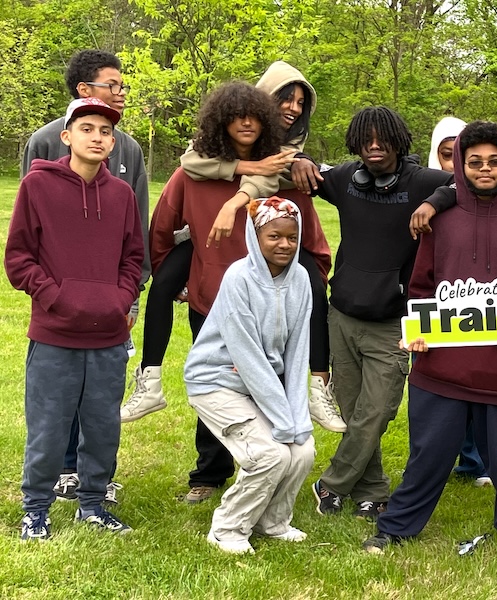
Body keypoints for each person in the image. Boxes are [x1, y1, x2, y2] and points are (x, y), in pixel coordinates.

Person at [362, 121, 497, 553]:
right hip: (441, 368)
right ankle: (396, 527)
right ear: (460, 167)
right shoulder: (439, 222)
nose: (485, 170)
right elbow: (421, 289)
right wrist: (418, 332)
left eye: (495, 162)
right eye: (474, 162)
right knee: (428, 455)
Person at [122, 60, 344, 433]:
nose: (292, 108)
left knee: (272, 372)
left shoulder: (286, 165)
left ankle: (316, 388)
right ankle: (201, 461)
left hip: (267, 294)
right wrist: (177, 279)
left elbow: (307, 233)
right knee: (212, 378)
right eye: (284, 99)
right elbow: (166, 219)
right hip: (211, 284)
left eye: (300, 103)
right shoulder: (194, 168)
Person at [150, 81, 328, 504]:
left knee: (268, 382)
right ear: (221, 121)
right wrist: (175, 281)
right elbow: (161, 230)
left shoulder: (283, 179)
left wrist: (304, 286)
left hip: (271, 309)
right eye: (236, 116)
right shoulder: (190, 173)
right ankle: (208, 475)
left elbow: (313, 244)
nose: (246, 124)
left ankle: (269, 464)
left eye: (254, 117)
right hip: (211, 302)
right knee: (217, 388)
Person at [292, 106, 455, 522]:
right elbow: (306, 171)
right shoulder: (347, 178)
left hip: (393, 322)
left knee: (377, 410)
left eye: (383, 139)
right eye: (366, 140)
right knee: (353, 412)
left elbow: (467, 181)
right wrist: (302, 160)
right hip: (342, 315)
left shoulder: (421, 181)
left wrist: (434, 202)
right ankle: (373, 489)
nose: (374, 147)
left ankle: (331, 483)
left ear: (400, 141)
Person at [7, 97, 144, 539]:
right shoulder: (38, 186)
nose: (98, 137)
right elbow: (19, 259)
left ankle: (92, 504)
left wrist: (120, 299)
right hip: (54, 334)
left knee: (103, 426)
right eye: (88, 128)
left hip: (107, 336)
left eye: (106, 132)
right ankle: (36, 509)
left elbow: (132, 257)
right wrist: (57, 298)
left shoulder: (121, 195)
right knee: (48, 425)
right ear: (66, 137)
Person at [185, 196, 315, 555]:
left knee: (302, 450)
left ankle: (272, 522)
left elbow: (297, 349)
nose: (284, 245)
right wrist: (280, 416)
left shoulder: (302, 279)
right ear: (255, 236)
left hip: (262, 384)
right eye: (274, 236)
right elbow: (246, 355)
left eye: (291, 237)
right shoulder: (238, 278)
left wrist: (296, 415)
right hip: (217, 381)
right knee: (269, 454)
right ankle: (227, 528)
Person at [426, 116, 491, 488]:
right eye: (446, 156)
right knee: (439, 389)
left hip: (479, 303)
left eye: (459, 155)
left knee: (476, 386)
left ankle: (475, 461)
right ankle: (434, 460)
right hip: (439, 303)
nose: (453, 166)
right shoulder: (427, 199)